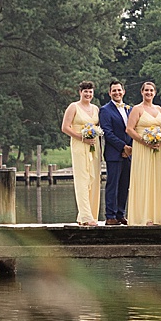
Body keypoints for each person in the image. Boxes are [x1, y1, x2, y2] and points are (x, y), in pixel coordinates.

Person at [125, 81, 161, 224]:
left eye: (151, 90)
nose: (149, 93)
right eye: (146, 90)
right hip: (142, 148)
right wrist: (144, 142)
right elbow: (129, 129)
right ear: (142, 92)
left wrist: (160, 138)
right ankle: (144, 216)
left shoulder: (160, 109)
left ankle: (157, 216)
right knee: (144, 179)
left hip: (158, 148)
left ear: (155, 93)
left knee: (157, 179)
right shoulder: (137, 109)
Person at [60, 81, 101, 226]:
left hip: (94, 146)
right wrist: (81, 137)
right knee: (82, 180)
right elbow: (65, 127)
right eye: (85, 92)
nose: (88, 94)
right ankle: (86, 216)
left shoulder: (96, 108)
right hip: (79, 145)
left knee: (93, 179)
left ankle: (88, 215)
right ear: (80, 92)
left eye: (90, 92)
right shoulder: (74, 107)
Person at [97, 80, 130, 224]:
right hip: (114, 154)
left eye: (119, 90)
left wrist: (129, 148)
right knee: (113, 184)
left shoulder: (130, 109)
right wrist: (123, 147)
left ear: (123, 91)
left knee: (124, 185)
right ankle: (110, 216)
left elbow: (133, 130)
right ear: (110, 93)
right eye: (114, 91)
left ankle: (120, 214)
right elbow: (107, 133)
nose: (117, 93)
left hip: (128, 153)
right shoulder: (105, 110)